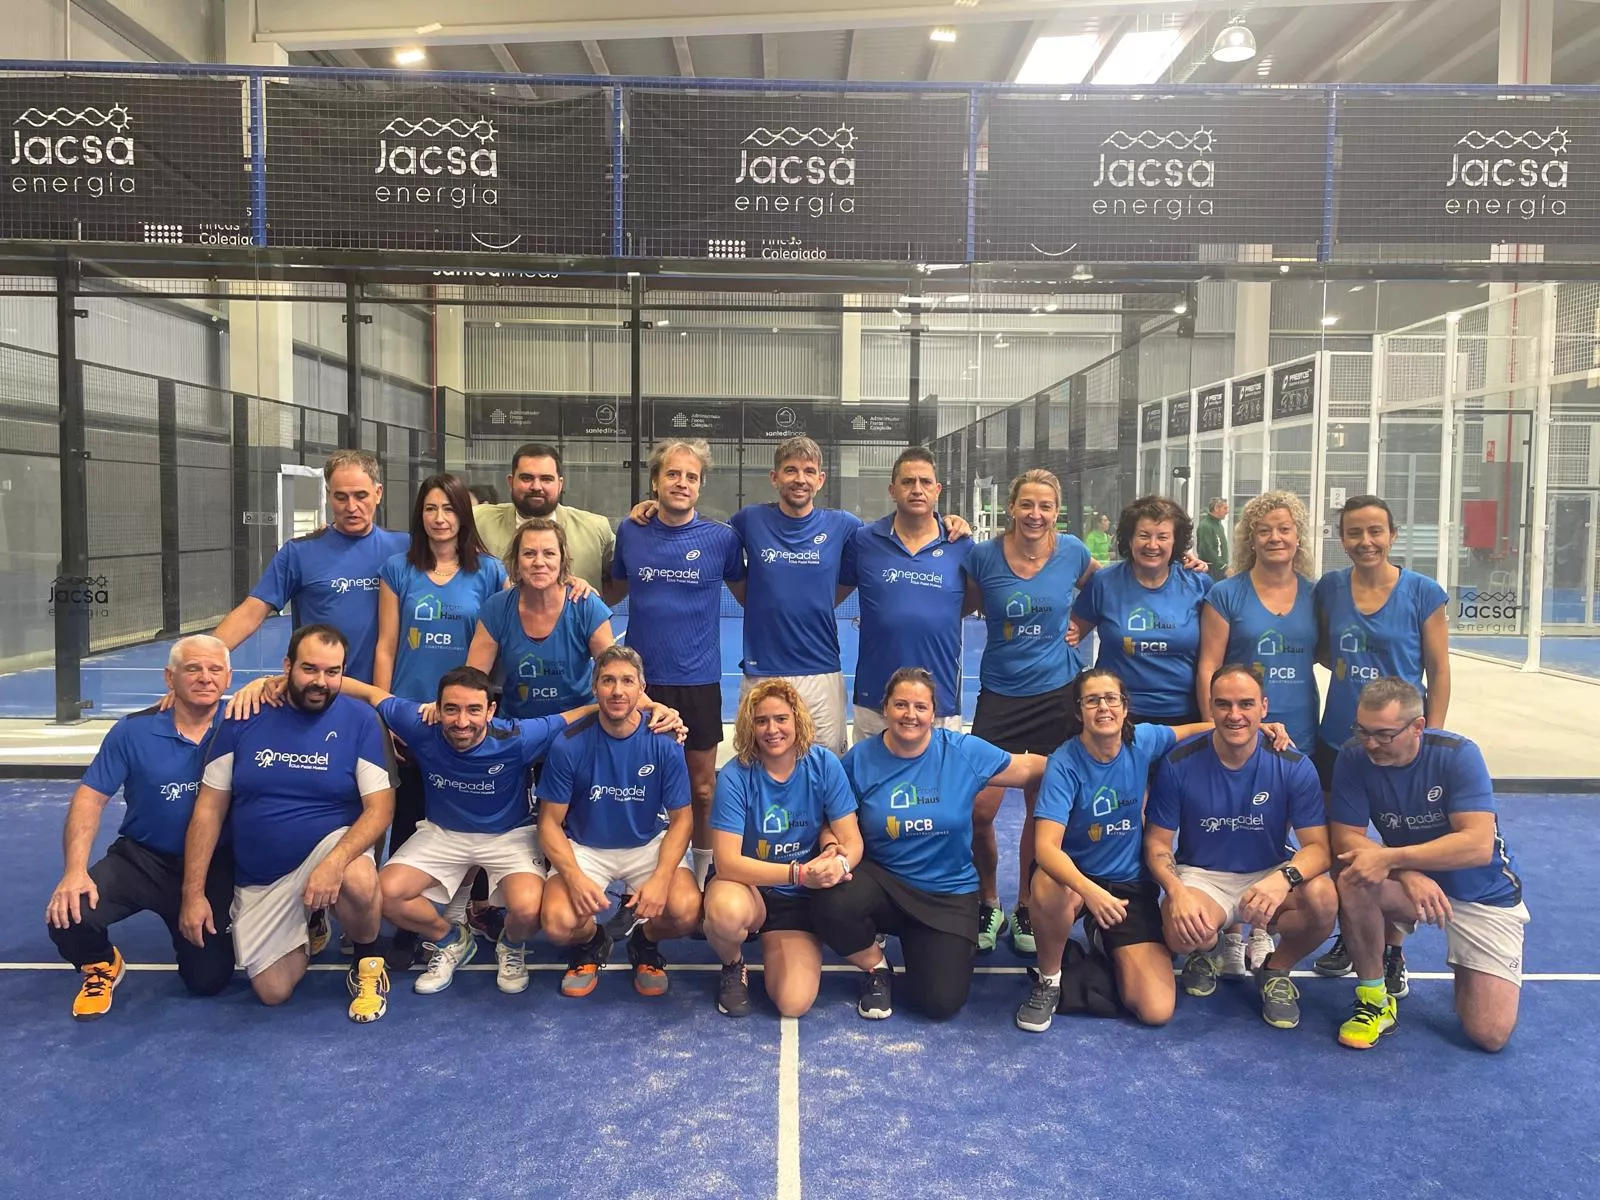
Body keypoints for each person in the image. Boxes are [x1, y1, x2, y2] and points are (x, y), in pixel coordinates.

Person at [311, 667, 683, 996]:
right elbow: (372, 694)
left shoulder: (518, 737)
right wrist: (300, 680)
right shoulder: (419, 724)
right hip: (443, 833)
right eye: (451, 709)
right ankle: (451, 938)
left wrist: (650, 707)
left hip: (509, 835)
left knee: (529, 909)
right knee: (386, 895)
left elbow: (581, 713)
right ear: (437, 708)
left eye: (474, 710)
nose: (462, 721)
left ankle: (512, 944)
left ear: (491, 711)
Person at [179, 624, 396, 1022]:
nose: (321, 681)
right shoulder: (243, 716)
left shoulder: (362, 721)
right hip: (263, 875)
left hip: (329, 847)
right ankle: (313, 920)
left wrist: (334, 864)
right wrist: (192, 893)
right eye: (309, 669)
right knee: (273, 991)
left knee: (358, 879)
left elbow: (380, 810)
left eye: (332, 672)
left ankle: (367, 962)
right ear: (287, 667)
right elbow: (208, 809)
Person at [810, 668, 1046, 1021]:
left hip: (947, 893)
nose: (911, 714)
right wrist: (832, 847)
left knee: (939, 1003)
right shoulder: (860, 760)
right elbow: (833, 818)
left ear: (933, 713)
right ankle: (876, 966)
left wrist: (1089, 764)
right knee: (829, 898)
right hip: (883, 884)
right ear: (885, 708)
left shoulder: (962, 752)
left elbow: (1028, 768)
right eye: (901, 704)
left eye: (920, 707)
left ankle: (925, 942)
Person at [1327, 678, 1526, 1052]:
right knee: (1353, 877)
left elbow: (1477, 845)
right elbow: (1345, 839)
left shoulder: (1458, 754)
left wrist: (1394, 858)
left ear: (1417, 726)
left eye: (1384, 735)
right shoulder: (1354, 756)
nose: (1371, 744)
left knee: (1489, 1034)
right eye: (1363, 731)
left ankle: (1469, 968)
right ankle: (1374, 999)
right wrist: (1407, 874)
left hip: (1482, 893)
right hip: (1410, 886)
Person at [44, 636, 236, 1020]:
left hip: (214, 865)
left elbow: (302, 689)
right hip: (143, 859)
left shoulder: (244, 723)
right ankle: (101, 963)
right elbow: (90, 798)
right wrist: (74, 871)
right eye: (192, 669)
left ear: (229, 679)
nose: (205, 678)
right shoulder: (132, 731)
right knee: (69, 913)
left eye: (215, 669)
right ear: (169, 677)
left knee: (207, 980)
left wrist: (267, 684)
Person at [1015, 667, 1213, 1033]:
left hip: (1128, 885)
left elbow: (1193, 730)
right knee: (1046, 885)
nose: (1103, 707)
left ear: (1125, 707)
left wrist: (1257, 729)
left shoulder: (1143, 741)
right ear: (1079, 712)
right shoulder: (1064, 764)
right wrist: (1091, 892)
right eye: (1092, 700)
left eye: (1111, 699)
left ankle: (1102, 943)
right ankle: (1050, 980)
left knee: (1155, 1010)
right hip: (1076, 881)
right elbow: (1045, 849)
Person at [1144, 664, 1337, 1030]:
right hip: (1203, 876)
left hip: (1268, 872)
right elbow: (1157, 842)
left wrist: (1283, 879)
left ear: (1264, 707)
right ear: (1210, 707)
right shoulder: (1178, 763)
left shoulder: (1293, 765)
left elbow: (1318, 849)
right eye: (1224, 704)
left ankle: (1276, 969)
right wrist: (1176, 892)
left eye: (1246, 704)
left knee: (1323, 899)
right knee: (1180, 933)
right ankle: (1208, 948)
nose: (1234, 714)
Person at [1313, 495, 1451, 985]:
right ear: (1342, 538)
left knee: (1400, 843)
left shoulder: (1422, 592)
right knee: (1343, 846)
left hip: (1403, 744)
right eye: (1354, 532)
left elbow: (1438, 670)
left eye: (1375, 531)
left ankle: (1393, 950)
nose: (1365, 541)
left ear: (1392, 535)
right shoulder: (1330, 589)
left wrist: (1429, 736)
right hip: (1339, 740)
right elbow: (1325, 651)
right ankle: (1351, 932)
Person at [373, 473, 507, 965]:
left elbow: (499, 639)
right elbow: (386, 645)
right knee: (409, 811)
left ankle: (477, 907)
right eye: (430, 508)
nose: (439, 518)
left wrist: (474, 710)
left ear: (463, 515)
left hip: (465, 716)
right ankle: (409, 923)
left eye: (448, 508)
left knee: (475, 810)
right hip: (413, 715)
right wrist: (385, 712)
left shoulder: (490, 572)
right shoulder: (397, 569)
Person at [963, 469, 1095, 954]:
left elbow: (1108, 587)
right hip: (999, 695)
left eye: (1045, 506)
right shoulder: (983, 556)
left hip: (1057, 695)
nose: (1035, 514)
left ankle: (1024, 904)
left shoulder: (1073, 552)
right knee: (979, 809)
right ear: (1011, 508)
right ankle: (988, 899)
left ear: (1056, 511)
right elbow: (962, 602)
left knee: (1043, 813)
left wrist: (1083, 623)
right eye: (1027, 504)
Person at [607, 439, 745, 887]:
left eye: (691, 476)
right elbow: (614, 589)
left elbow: (747, 593)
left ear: (700, 486)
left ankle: (703, 878)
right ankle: (641, 882)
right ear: (655, 481)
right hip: (640, 687)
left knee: (702, 789)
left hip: (698, 684)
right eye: (672, 474)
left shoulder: (722, 539)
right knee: (638, 785)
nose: (681, 483)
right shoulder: (631, 531)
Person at [1197, 491, 1320, 976]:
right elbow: (1209, 665)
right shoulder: (1226, 594)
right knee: (1235, 823)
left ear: (1298, 536)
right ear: (1249, 538)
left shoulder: (1316, 595)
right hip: (1239, 726)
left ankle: (1263, 924)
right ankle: (1231, 931)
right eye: (1264, 530)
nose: (1274, 537)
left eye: (1284, 529)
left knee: (1278, 827)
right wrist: (1214, 728)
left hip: (1299, 726)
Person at [538, 645, 701, 998]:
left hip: (646, 844)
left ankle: (645, 941)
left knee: (687, 912)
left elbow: (682, 820)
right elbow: (549, 823)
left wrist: (661, 878)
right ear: (594, 687)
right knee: (556, 923)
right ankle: (592, 941)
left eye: (627, 681)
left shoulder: (664, 742)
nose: (617, 691)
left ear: (642, 688)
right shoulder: (568, 745)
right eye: (608, 680)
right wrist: (574, 877)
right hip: (585, 846)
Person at [703, 680, 862, 1018]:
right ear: (750, 727)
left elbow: (852, 842)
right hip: (748, 888)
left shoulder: (824, 764)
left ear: (797, 720)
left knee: (793, 1003)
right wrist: (799, 873)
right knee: (725, 913)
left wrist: (838, 865)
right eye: (761, 721)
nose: (772, 730)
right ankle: (733, 963)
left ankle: (781, 943)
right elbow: (727, 863)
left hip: (798, 900)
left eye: (781, 719)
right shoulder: (735, 776)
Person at [212, 449, 408, 685]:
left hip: (389, 693)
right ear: (328, 495)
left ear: (378, 493)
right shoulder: (298, 553)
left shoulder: (406, 548)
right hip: (321, 693)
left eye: (361, 495)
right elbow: (251, 612)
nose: (351, 506)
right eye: (341, 497)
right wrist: (201, 657)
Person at [841, 446, 972, 746]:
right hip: (875, 699)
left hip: (940, 701)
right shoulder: (864, 541)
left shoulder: (961, 545)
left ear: (937, 490)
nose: (917, 489)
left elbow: (972, 601)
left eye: (925, 482)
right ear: (892, 490)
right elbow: (831, 593)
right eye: (908, 481)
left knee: (940, 776)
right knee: (869, 775)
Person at [1070, 495, 1212, 725]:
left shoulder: (1199, 584)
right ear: (1129, 539)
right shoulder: (1103, 583)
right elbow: (1069, 638)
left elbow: (1215, 657)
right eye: (1144, 535)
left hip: (1185, 715)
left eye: (1162, 537)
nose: (1152, 545)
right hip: (1117, 717)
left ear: (1176, 542)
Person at [469, 517, 617, 722]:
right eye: (529, 553)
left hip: (578, 726)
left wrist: (650, 706)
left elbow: (615, 673)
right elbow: (473, 679)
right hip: (519, 728)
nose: (539, 562)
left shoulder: (586, 605)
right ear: (517, 561)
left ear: (562, 560)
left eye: (549, 553)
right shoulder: (496, 608)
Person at [474, 443, 615, 590]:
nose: (536, 486)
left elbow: (621, 580)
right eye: (526, 478)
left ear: (560, 484)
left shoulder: (595, 530)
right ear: (511, 482)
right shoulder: (478, 522)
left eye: (546, 479)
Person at [1196, 498, 1230, 582]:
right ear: (1216, 508)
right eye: (1225, 508)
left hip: (1221, 569)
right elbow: (1207, 550)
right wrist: (1223, 566)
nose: (1227, 512)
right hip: (1210, 570)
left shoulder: (1219, 525)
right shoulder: (1205, 526)